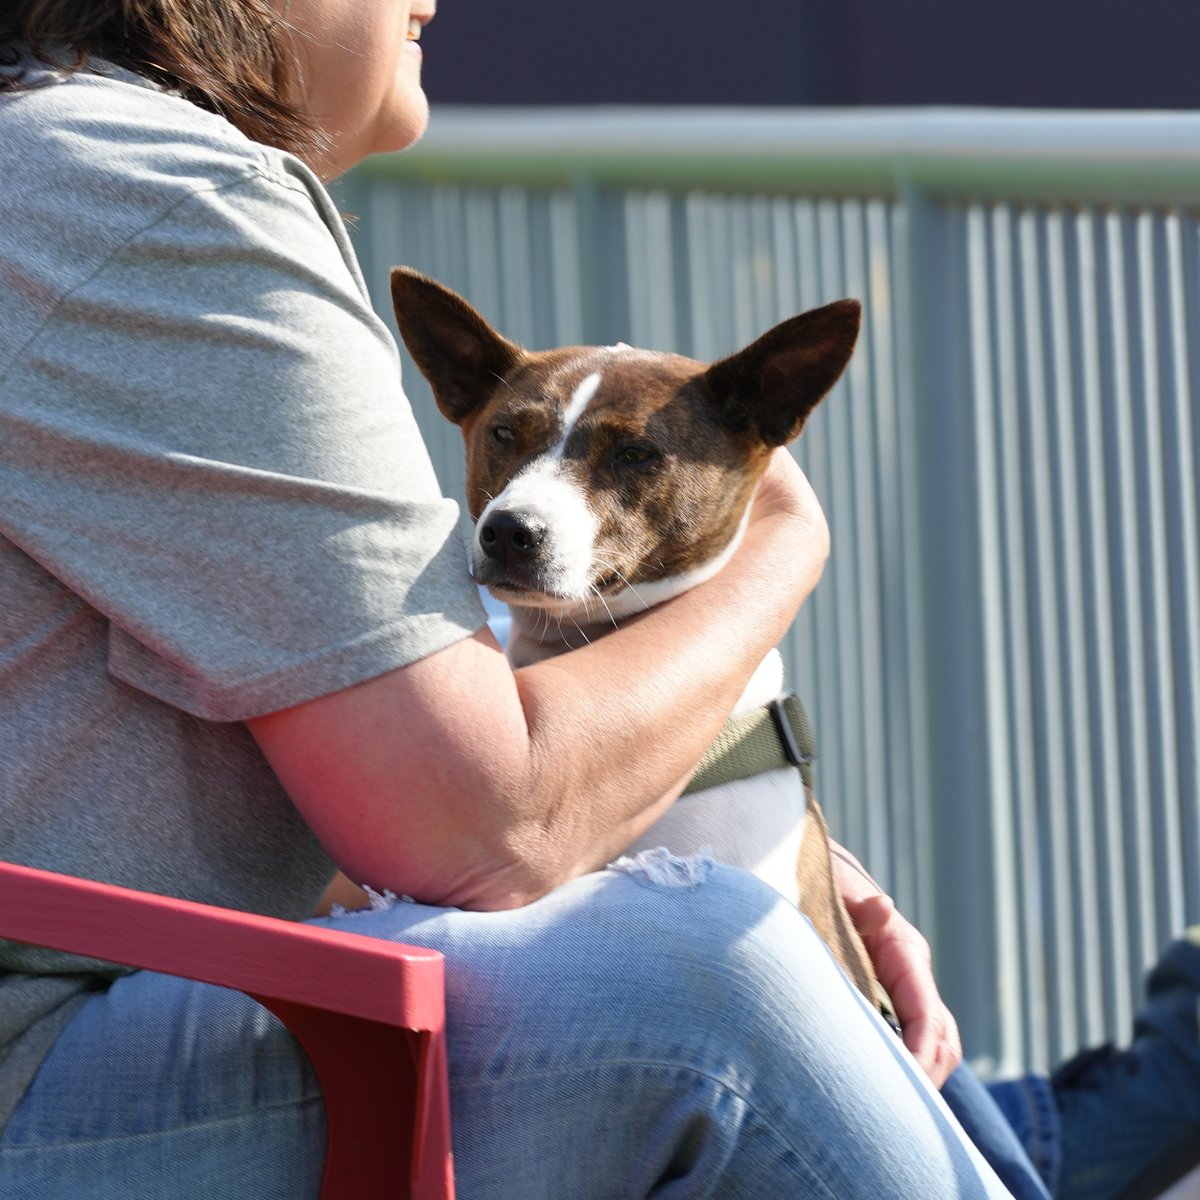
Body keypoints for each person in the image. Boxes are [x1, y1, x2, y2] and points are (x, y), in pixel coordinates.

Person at [0, 1, 1018, 1196]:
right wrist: (783, 543)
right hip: (51, 1061)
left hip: (103, 983)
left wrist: (760, 822)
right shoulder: (142, 196)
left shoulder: (56, 164)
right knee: (712, 981)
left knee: (823, 998)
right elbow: (484, 835)